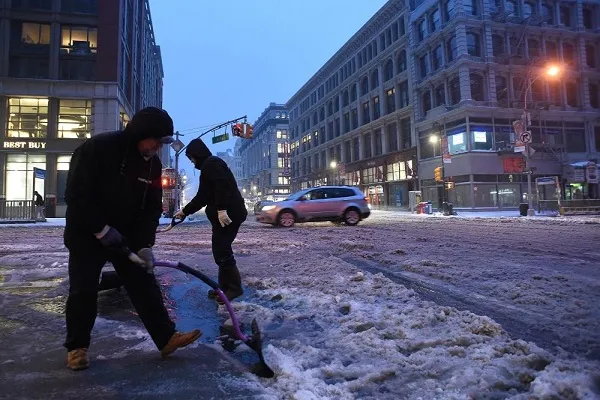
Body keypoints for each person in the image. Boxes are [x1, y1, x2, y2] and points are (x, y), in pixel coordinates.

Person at [63, 107, 201, 371]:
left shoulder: (152, 165)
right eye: (157, 141)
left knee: (143, 281)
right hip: (86, 233)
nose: (158, 148)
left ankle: (166, 338)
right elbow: (77, 196)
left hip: (123, 235)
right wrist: (101, 229)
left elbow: (150, 208)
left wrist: (145, 245)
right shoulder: (97, 149)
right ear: (141, 133)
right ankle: (77, 348)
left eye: (162, 143)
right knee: (84, 289)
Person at [175, 138, 247, 304]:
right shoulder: (208, 167)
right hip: (222, 217)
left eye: (191, 157)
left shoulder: (212, 164)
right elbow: (203, 197)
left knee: (222, 250)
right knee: (220, 250)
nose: (191, 161)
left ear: (197, 154)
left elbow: (222, 185)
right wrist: (184, 212)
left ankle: (235, 288)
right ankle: (224, 289)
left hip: (229, 215)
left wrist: (221, 209)